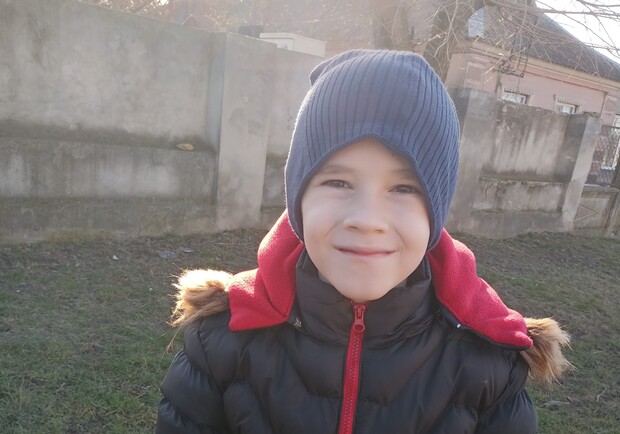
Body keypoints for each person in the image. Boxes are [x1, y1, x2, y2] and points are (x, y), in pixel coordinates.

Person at [155, 50, 571, 434]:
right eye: (338, 182)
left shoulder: (490, 365)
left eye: (405, 188)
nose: (367, 220)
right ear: (298, 197)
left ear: (437, 210)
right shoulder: (221, 340)